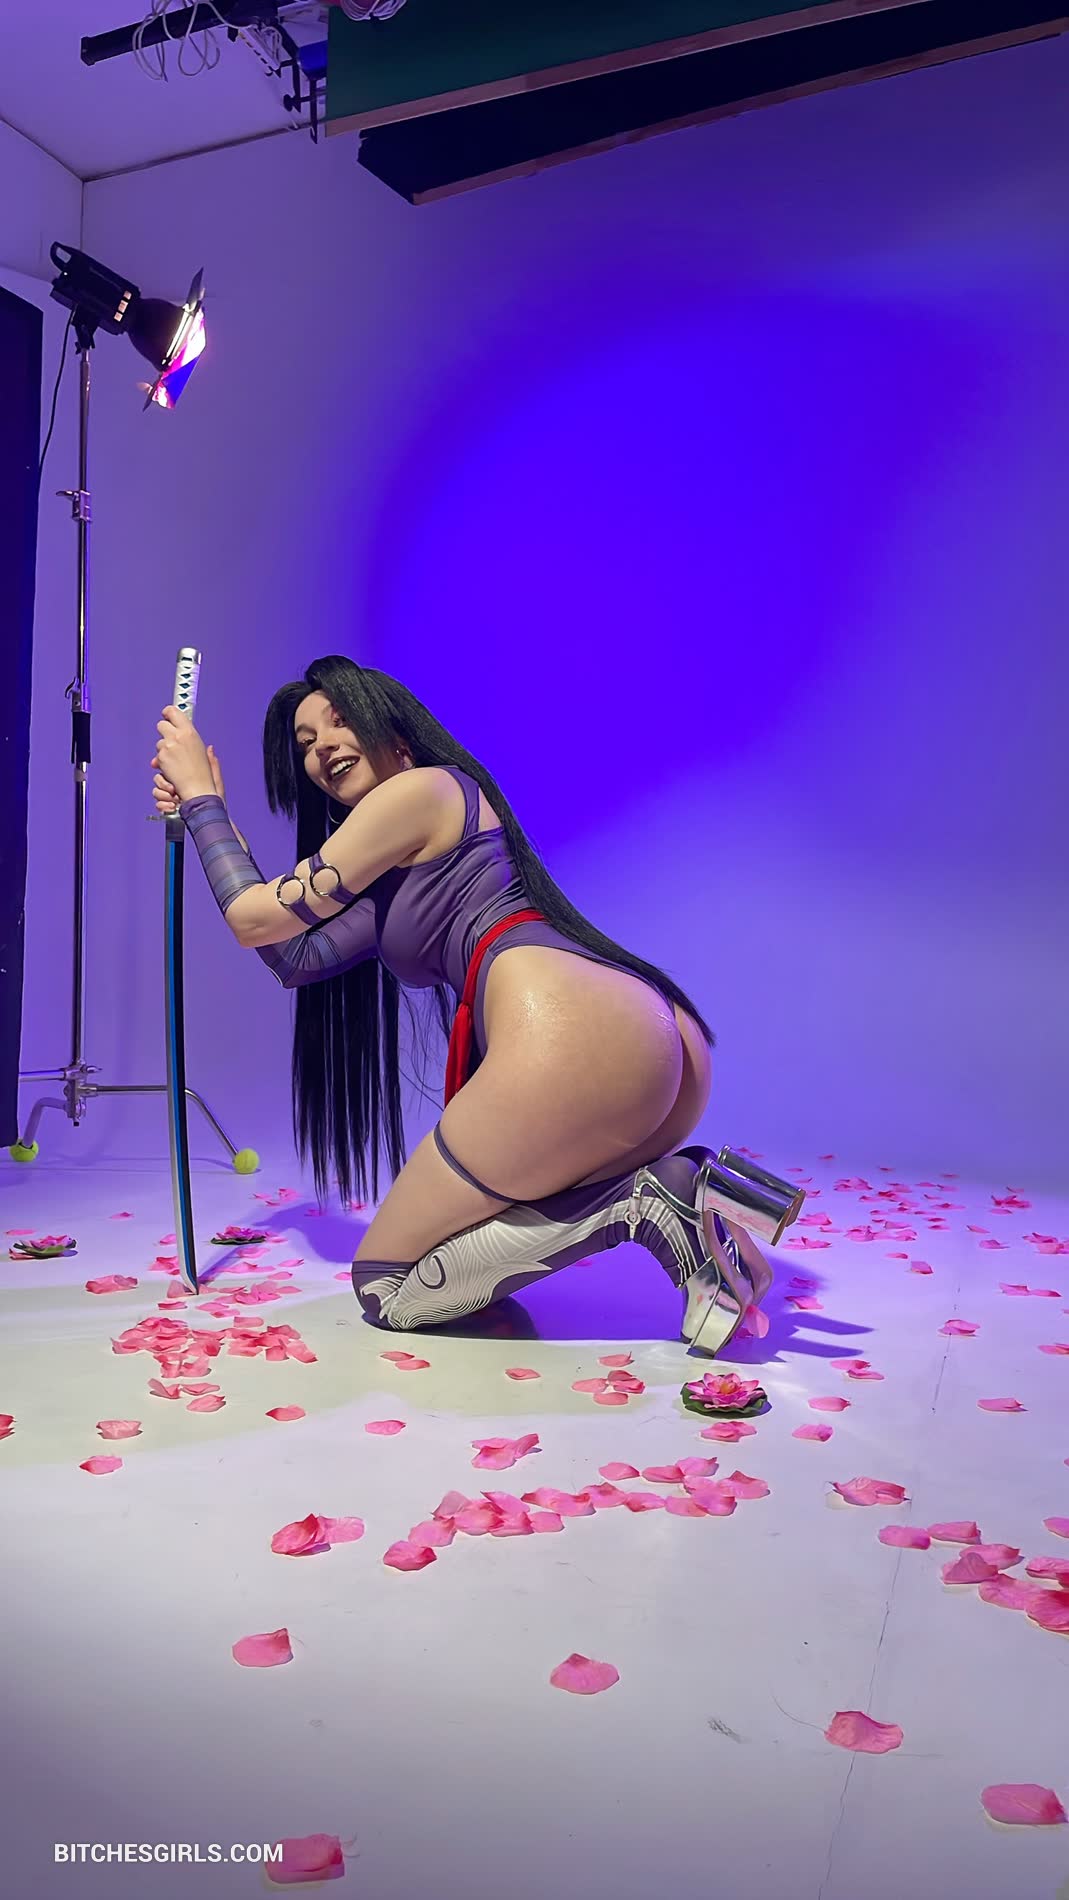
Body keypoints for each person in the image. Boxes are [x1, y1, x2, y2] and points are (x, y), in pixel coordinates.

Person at [152, 654, 801, 1351]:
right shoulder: (400, 864)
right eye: (306, 744)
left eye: (339, 720)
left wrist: (201, 798)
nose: (322, 749)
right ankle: (681, 1187)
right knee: (461, 1242)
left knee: (386, 1286)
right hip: (641, 1034)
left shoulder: (419, 791)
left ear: (391, 726)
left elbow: (254, 917)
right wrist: (209, 820)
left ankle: (646, 1205)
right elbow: (294, 955)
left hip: (565, 1036)